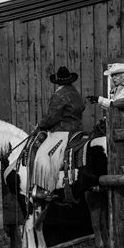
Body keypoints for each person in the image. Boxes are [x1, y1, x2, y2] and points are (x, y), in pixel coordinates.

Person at [30, 66, 85, 201]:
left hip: (62, 132)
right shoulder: (76, 93)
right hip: (77, 130)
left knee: (42, 155)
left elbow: (51, 117)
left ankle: (44, 189)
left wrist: (40, 126)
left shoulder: (59, 95)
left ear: (58, 82)